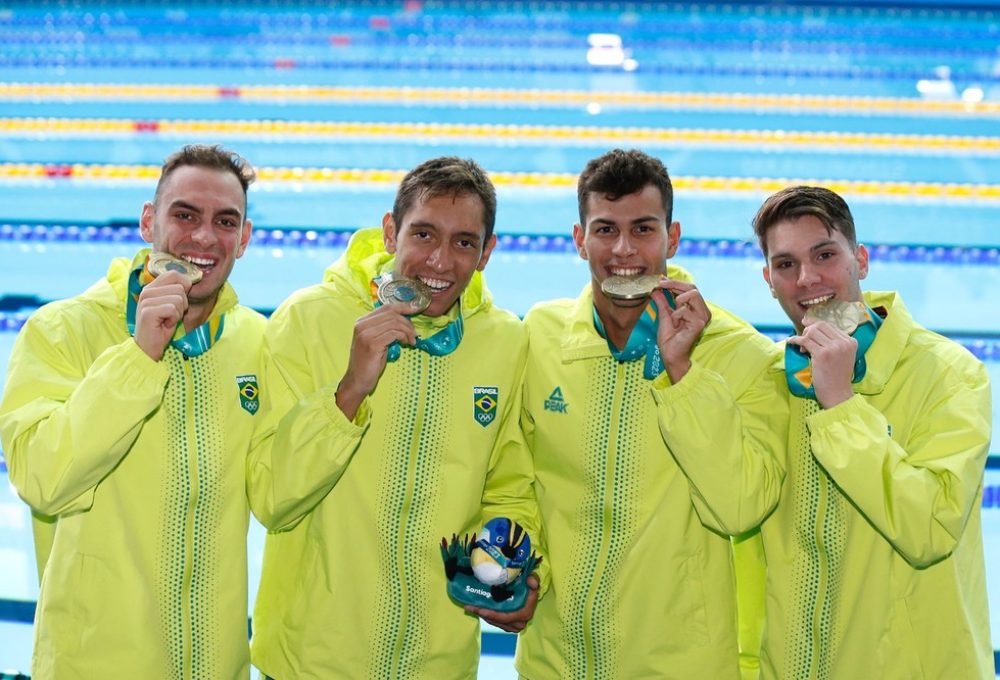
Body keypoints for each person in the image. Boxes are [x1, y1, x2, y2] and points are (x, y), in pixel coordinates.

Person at [249, 156, 543, 679]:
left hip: (437, 664)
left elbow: (510, 483)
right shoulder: (309, 320)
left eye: (464, 243)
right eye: (424, 234)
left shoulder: (503, 342)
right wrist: (349, 391)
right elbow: (273, 498)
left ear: (486, 254)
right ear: (390, 232)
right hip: (312, 665)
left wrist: (511, 561)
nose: (440, 261)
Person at [514, 148, 787, 679]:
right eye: (604, 230)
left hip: (679, 667)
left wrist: (683, 375)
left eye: (642, 229)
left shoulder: (740, 356)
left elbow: (741, 509)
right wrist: (518, 566)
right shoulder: (539, 338)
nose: (623, 250)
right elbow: (514, 480)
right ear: (578, 239)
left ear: (672, 237)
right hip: (554, 662)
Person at [0, 144, 266, 678]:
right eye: (184, 214)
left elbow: (283, 492)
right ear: (149, 221)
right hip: (95, 663)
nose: (204, 237)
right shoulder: (61, 330)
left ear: (245, 238)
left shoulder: (258, 343)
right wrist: (138, 358)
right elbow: (42, 478)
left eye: (225, 221)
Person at [740, 185, 993, 678]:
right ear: (768, 279)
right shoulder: (773, 381)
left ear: (861, 259)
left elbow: (930, 530)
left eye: (825, 255)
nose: (808, 278)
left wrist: (841, 406)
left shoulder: (948, 374)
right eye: (786, 264)